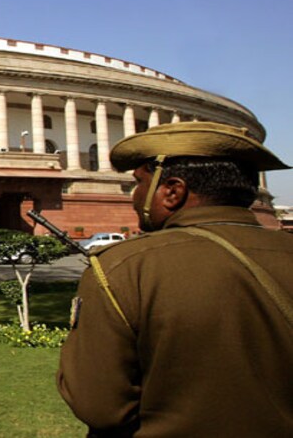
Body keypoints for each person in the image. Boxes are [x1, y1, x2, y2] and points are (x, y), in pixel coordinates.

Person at [57, 121, 293, 437]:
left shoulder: (126, 267)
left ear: (172, 191)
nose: (135, 197)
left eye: (139, 184)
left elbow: (99, 407)